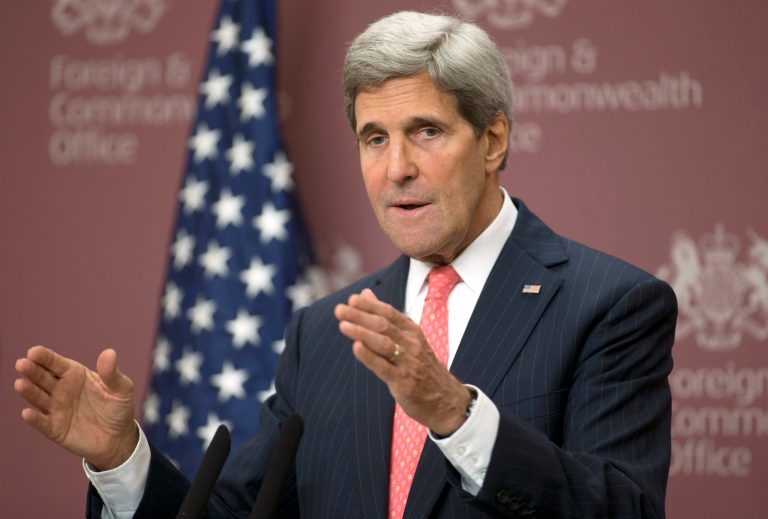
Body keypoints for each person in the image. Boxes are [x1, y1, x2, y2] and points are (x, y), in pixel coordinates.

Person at [14, 11, 677, 519]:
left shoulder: (608, 303)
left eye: (427, 131)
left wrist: (456, 413)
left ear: (494, 139)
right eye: (374, 139)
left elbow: (625, 507)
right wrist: (119, 458)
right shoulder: (325, 334)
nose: (397, 170)